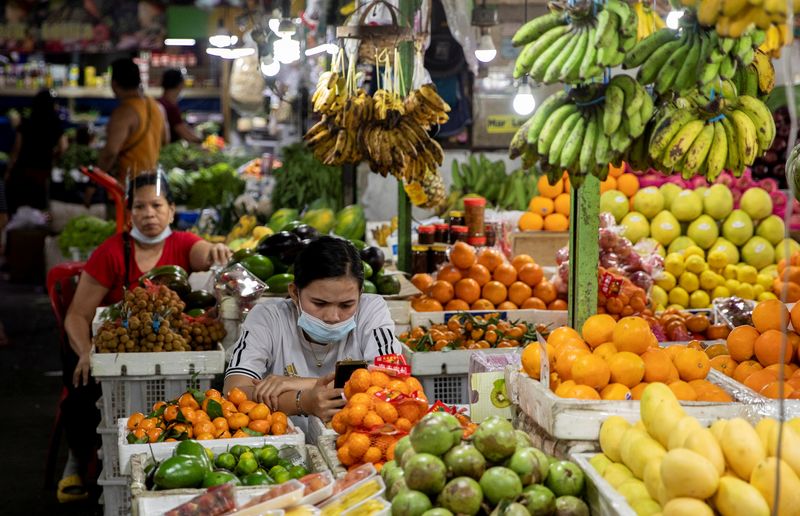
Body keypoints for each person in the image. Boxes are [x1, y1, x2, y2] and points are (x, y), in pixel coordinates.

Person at [60, 173, 230, 501]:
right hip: (119, 353)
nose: (149, 213)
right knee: (80, 388)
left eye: (157, 205)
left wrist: (216, 250)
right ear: (129, 211)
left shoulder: (182, 243)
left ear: (171, 209)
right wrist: (85, 353)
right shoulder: (111, 252)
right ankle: (76, 459)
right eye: (140, 206)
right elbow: (77, 315)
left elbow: (203, 252)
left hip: (169, 355)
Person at [224, 236, 400, 424]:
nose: (333, 316)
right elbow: (234, 391)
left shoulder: (371, 310)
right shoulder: (268, 318)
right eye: (319, 303)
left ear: (360, 293)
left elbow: (391, 380)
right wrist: (303, 401)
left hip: (356, 443)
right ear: (294, 292)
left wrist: (297, 383)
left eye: (347, 305)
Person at [97, 58, 169, 178]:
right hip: (151, 180)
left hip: (129, 184)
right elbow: (165, 140)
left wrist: (95, 181)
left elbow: (110, 152)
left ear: (114, 84)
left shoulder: (124, 112)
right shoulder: (158, 107)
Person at [4, 89, 67, 215]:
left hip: (23, 170)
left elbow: (16, 149)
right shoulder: (56, 124)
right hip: (42, 172)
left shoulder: (26, 122)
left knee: (18, 207)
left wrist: (8, 170)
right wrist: (53, 156)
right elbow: (63, 147)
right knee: (38, 210)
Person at [158, 69, 202, 144]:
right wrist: (201, 141)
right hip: (167, 149)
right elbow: (184, 133)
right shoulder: (170, 108)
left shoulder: (158, 103)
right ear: (180, 85)